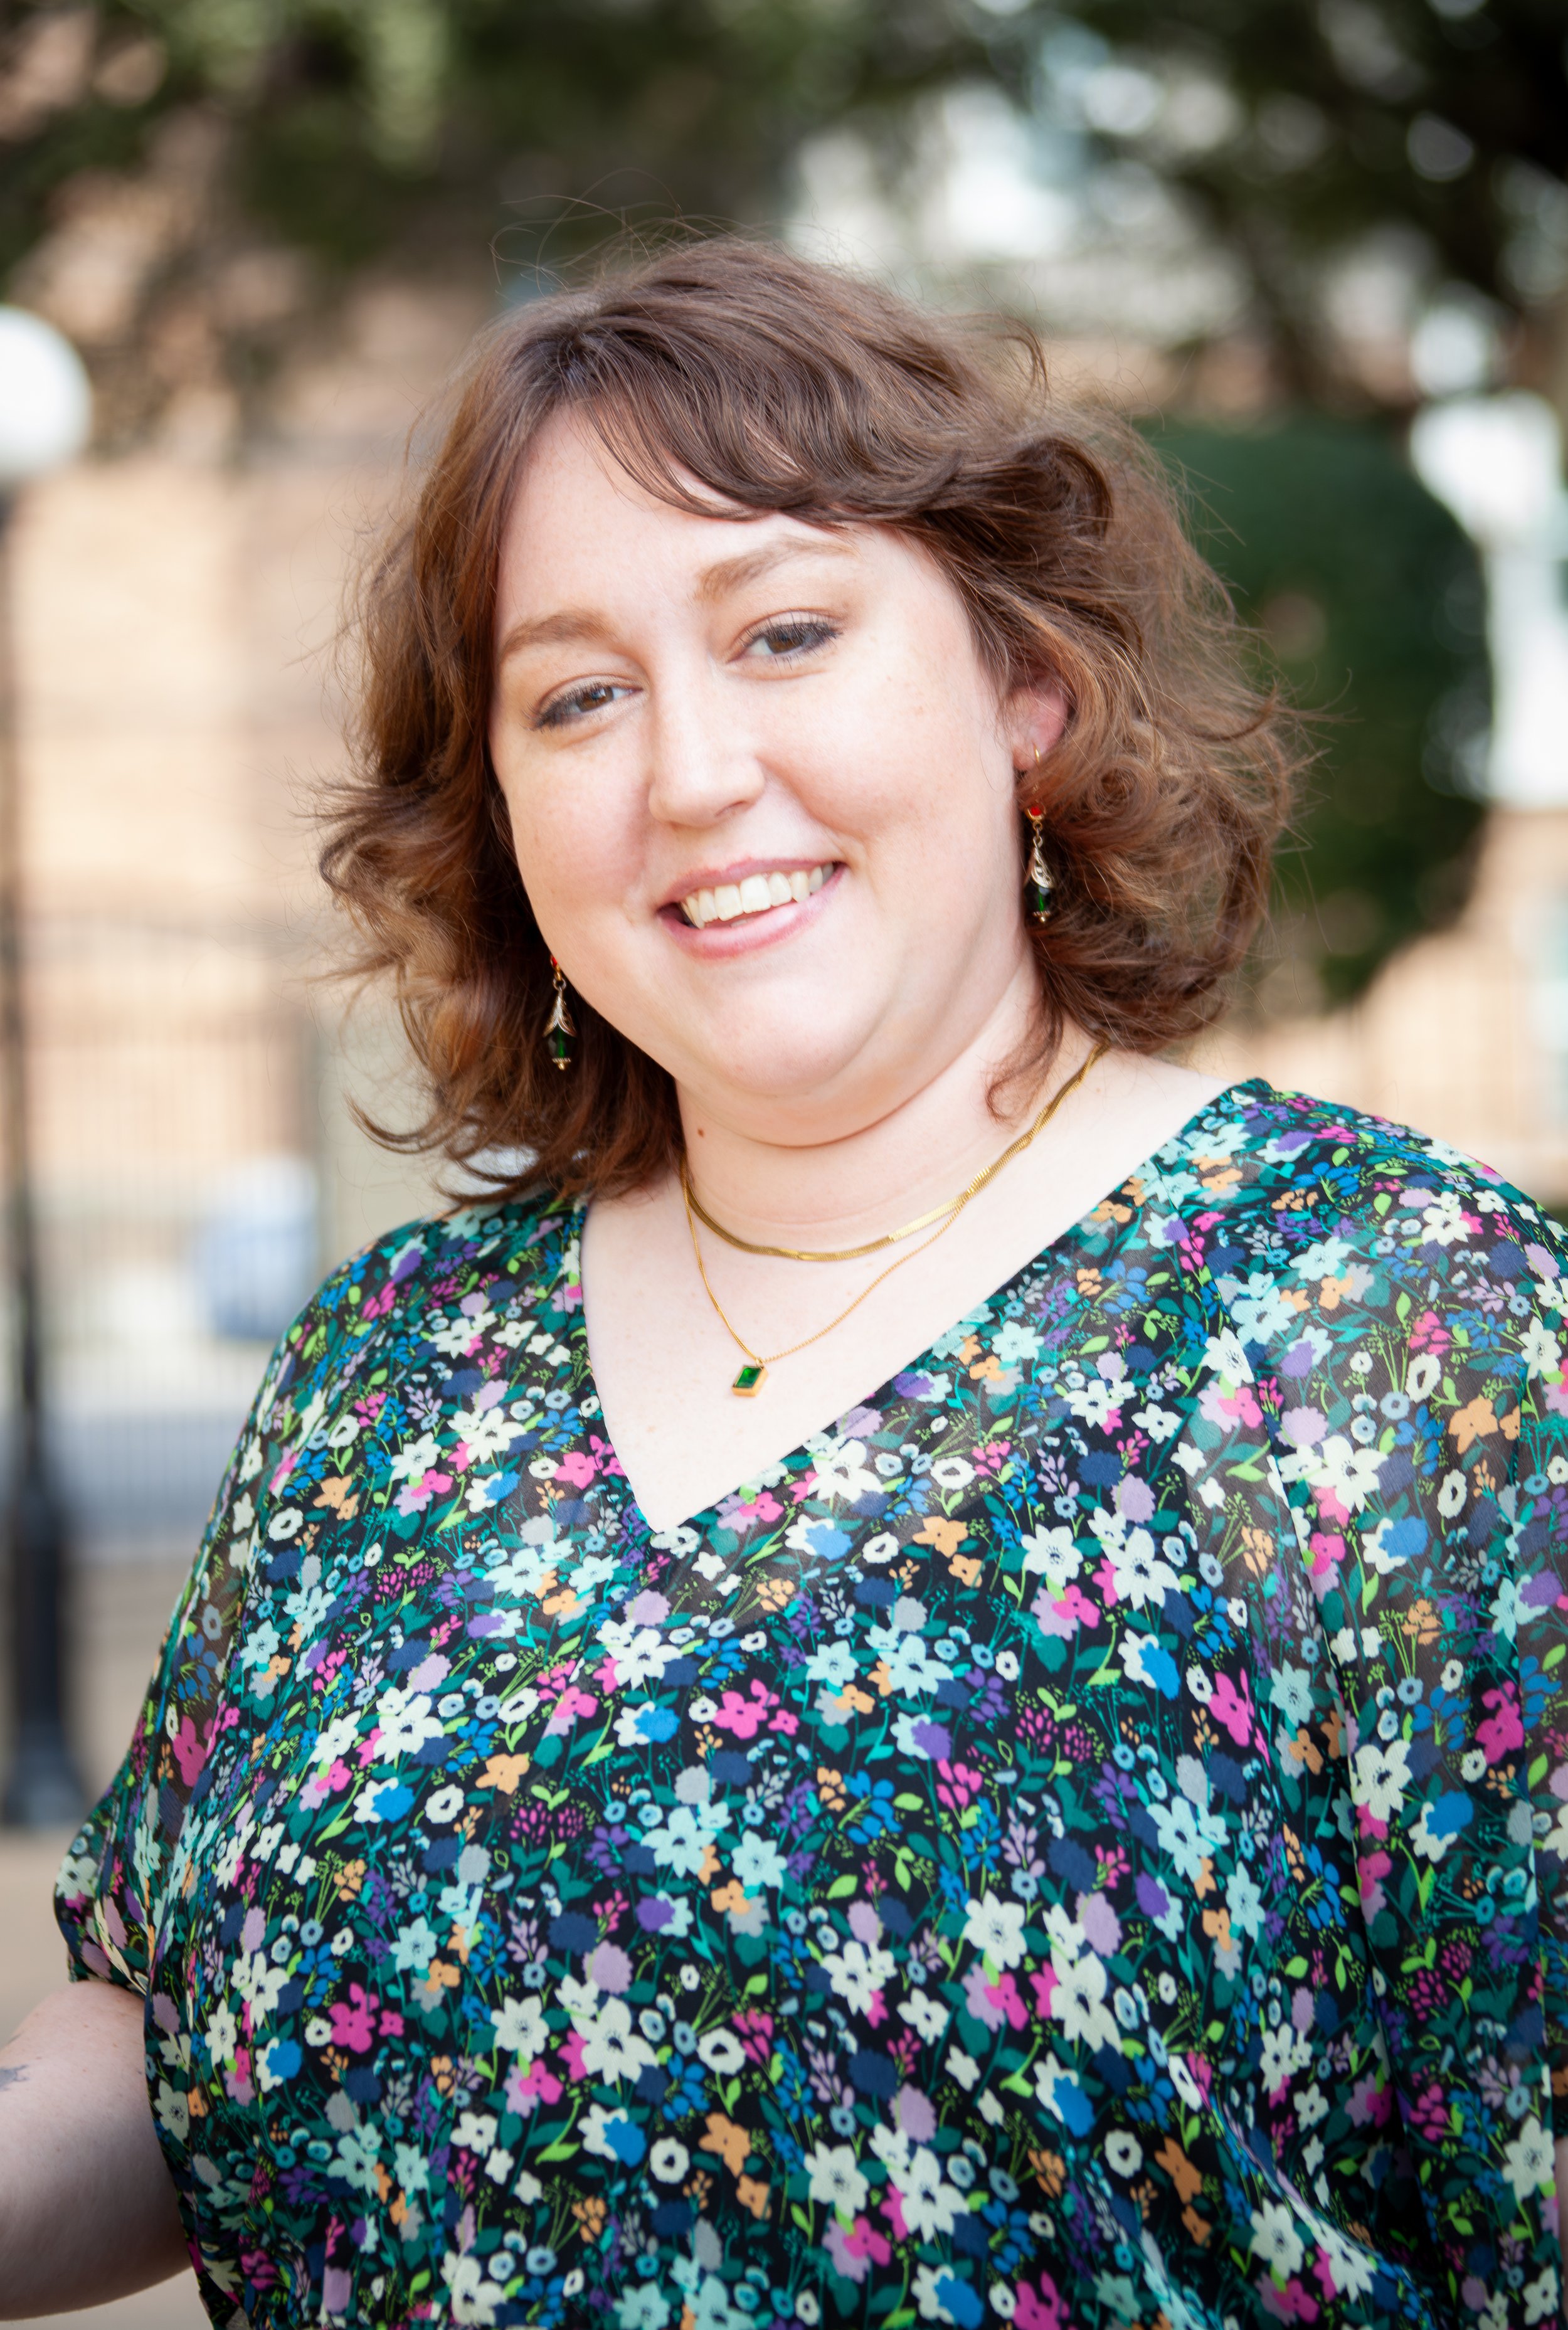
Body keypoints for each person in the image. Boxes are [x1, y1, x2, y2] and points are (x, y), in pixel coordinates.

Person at [4, 238, 1565, 2330]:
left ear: (1026, 687)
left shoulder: (1404, 1341)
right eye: (576, 695)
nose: (690, 772)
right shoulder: (396, 1370)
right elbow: (175, 2035)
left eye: (788, 630)